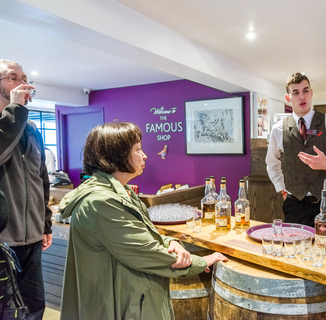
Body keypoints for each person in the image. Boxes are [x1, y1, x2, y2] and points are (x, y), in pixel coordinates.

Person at [59, 122, 227, 319]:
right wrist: (200, 261)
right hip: (118, 304)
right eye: (138, 149)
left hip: (130, 296)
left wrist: (172, 242)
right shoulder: (101, 202)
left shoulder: (121, 191)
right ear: (117, 156)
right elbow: (145, 251)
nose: (145, 155)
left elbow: (145, 232)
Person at [0, 59, 52, 319]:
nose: (23, 83)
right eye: (13, 78)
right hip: (3, 242)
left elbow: (41, 178)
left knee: (33, 307)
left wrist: (45, 222)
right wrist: (15, 111)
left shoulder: (31, 129)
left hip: (31, 238)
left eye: (24, 78)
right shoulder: (9, 123)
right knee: (6, 310)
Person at [266, 72, 326, 227]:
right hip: (295, 205)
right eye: (296, 92)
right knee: (295, 249)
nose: (302, 96)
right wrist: (282, 190)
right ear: (288, 98)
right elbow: (272, 163)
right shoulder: (278, 129)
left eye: (305, 91)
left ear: (311, 93)